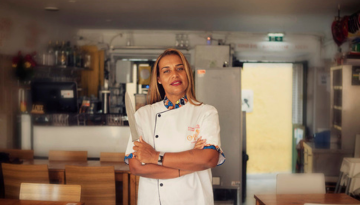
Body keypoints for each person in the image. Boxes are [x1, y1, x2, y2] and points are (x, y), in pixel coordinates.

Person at [124, 48, 225, 205]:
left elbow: (209, 159)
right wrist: (188, 166)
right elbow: (136, 167)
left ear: (187, 74)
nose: (175, 75)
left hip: (194, 199)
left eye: (180, 68)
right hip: (153, 200)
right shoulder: (143, 115)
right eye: (166, 71)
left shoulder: (206, 112)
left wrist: (154, 157)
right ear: (159, 79)